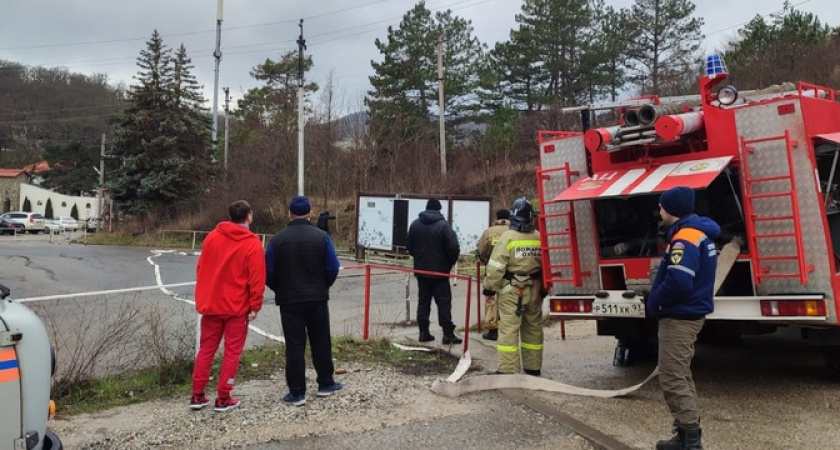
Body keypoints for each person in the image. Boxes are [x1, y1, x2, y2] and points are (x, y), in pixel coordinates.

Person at [647, 186, 719, 450]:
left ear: (672, 209)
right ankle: (686, 435)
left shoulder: (685, 239)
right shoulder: (696, 233)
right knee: (680, 374)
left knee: (672, 376)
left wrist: (656, 300)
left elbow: (679, 281)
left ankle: (690, 441)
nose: (660, 210)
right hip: (686, 313)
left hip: (679, 316)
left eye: (662, 206)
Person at [265, 195, 343, 406]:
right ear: (310, 213)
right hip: (316, 296)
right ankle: (325, 383)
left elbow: (268, 271)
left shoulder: (277, 240)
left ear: (289, 213)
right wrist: (323, 284)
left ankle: (297, 392)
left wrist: (279, 287)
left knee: (294, 344)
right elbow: (333, 267)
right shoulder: (321, 237)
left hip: (289, 299)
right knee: (321, 340)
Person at [191, 200, 266, 412]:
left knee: (206, 349)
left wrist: (204, 295)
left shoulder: (212, 237)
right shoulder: (252, 243)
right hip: (236, 306)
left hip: (211, 303)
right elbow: (257, 278)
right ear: (249, 216)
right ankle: (224, 396)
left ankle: (197, 394)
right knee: (232, 352)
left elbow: (201, 268)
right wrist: (255, 306)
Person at [483, 197, 543, 375]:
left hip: (512, 290)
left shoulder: (508, 237)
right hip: (535, 289)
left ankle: (508, 370)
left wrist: (489, 288)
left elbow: (496, 267)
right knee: (533, 329)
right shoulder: (539, 236)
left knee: (509, 330)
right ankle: (533, 368)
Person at [406, 198, 462, 344]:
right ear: (438, 210)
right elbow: (453, 247)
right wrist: (449, 262)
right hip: (440, 272)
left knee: (423, 302)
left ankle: (423, 332)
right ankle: (447, 334)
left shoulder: (415, 224)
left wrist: (418, 258)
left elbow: (409, 246)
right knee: (443, 303)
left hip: (421, 270)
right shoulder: (443, 225)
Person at [476, 208, 511, 341]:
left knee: (491, 299)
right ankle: (508, 328)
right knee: (509, 299)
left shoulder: (489, 232)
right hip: (510, 272)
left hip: (492, 269)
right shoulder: (513, 231)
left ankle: (492, 330)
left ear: (497, 218)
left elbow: (482, 250)